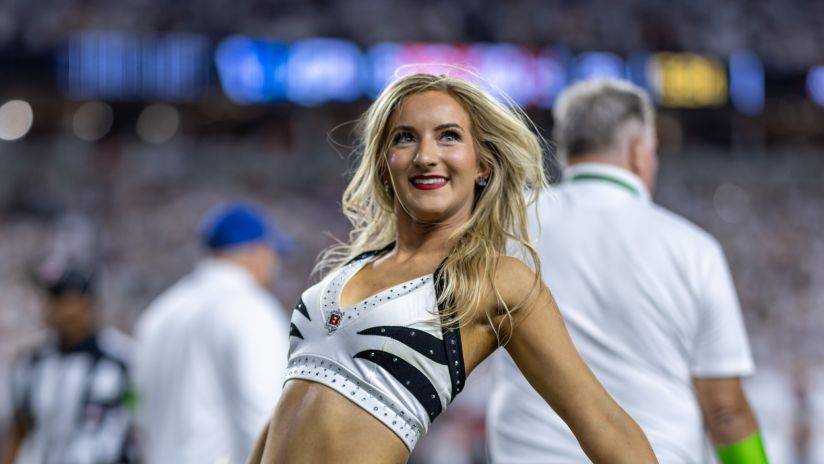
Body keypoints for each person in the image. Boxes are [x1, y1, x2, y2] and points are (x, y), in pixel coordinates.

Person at [249, 72, 657, 463]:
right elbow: (287, 413)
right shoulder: (348, 270)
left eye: (449, 136)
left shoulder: (495, 281)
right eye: (405, 137)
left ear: (482, 163)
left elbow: (603, 421)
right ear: (384, 162)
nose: (426, 156)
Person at [487, 78, 768, 463]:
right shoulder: (693, 249)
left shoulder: (508, 223)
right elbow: (725, 411)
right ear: (639, 151)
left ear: (568, 151)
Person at [133, 202, 292, 464]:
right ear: (255, 252)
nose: (274, 264)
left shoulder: (160, 312)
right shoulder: (250, 307)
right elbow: (265, 414)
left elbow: (137, 407)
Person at [2, 265, 136, 464]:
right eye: (55, 300)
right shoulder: (31, 365)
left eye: (68, 300)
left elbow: (138, 412)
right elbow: (19, 428)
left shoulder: (123, 361)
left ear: (88, 304)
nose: (62, 310)